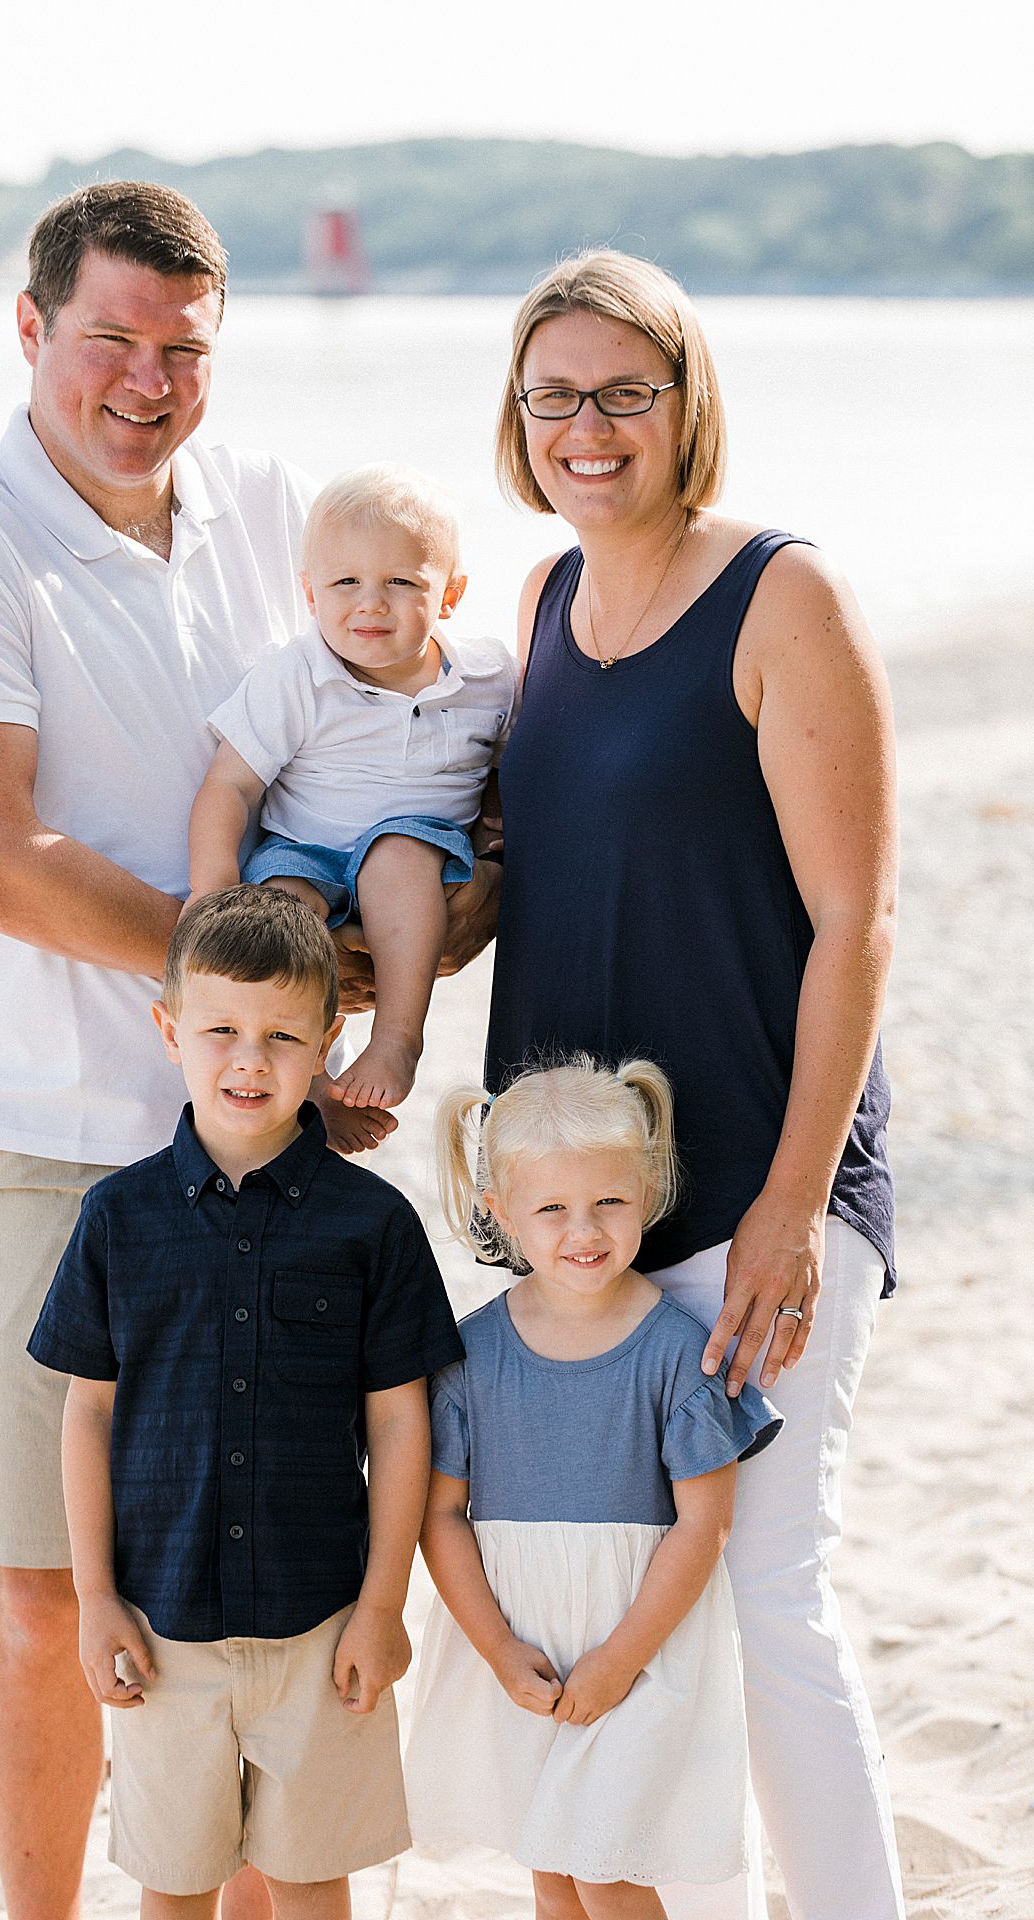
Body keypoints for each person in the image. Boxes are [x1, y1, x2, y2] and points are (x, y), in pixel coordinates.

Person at [0, 178, 495, 1920]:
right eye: (110, 340)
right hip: (59, 1135)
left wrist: (439, 915)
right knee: (51, 1591)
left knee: (264, 1596)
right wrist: (257, 983)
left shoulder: (282, 509)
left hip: (283, 1149)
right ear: (31, 331)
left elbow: (410, 729)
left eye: (182, 348)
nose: (145, 379)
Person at [485, 250, 903, 1919]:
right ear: (518, 424)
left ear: (687, 404)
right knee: (595, 1598)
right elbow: (543, 873)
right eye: (553, 398)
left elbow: (861, 923)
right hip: (579, 1211)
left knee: (763, 1592)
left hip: (755, 1190)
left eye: (624, 392)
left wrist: (790, 1216)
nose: (588, 427)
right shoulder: (533, 604)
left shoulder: (780, 594)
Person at [28, 886, 464, 1919]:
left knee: (313, 1881)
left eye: (280, 1036)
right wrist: (94, 1599)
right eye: (218, 1030)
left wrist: (381, 1606)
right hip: (160, 1624)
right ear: (168, 1029)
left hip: (322, 1627)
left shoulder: (371, 1223)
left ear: (327, 1040)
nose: (247, 1060)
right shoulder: (115, 1219)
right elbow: (87, 1413)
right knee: (174, 1886)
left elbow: (400, 1420)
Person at [405, 1059, 781, 1917]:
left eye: (609, 1201)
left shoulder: (678, 1353)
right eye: (551, 1209)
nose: (585, 1230)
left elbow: (704, 1527)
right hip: (521, 1648)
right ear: (499, 1211)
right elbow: (440, 1516)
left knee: (606, 1871)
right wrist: (498, 1650)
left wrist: (619, 1661)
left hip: (638, 1648)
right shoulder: (470, 1358)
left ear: (647, 1190)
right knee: (550, 1867)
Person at [188, 464, 518, 1121]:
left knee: (398, 853)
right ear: (310, 593)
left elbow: (518, 779)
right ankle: (305, 1075)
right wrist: (212, 896)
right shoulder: (296, 678)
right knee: (282, 908)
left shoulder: (490, 680)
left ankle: (396, 1038)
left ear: (450, 594)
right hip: (305, 853)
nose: (371, 603)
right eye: (346, 582)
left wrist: (499, 852)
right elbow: (229, 783)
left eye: (401, 582)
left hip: (417, 860)